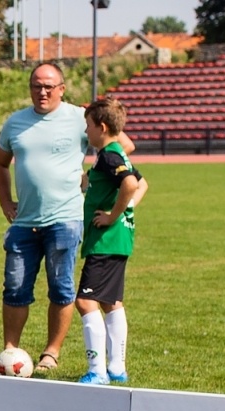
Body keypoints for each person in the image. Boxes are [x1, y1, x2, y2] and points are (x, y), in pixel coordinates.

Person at [0, 63, 135, 374]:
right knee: (15, 288)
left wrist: (94, 175)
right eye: (36, 86)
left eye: (48, 86)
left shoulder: (78, 118)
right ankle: (10, 350)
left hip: (66, 220)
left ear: (62, 88)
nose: (42, 91)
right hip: (23, 222)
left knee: (61, 288)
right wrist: (6, 201)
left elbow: (121, 144)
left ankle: (51, 352)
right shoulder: (15, 123)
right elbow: (0, 164)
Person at [76, 98, 147, 387]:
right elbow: (142, 184)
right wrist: (125, 211)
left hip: (106, 241)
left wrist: (112, 216)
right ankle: (117, 368)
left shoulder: (108, 155)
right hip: (118, 240)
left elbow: (131, 185)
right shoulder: (116, 153)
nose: (86, 132)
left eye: (89, 126)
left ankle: (98, 371)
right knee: (110, 302)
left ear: (102, 128)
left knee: (84, 302)